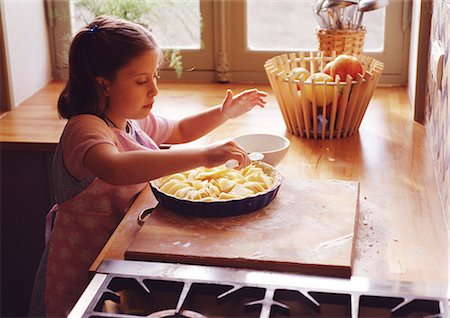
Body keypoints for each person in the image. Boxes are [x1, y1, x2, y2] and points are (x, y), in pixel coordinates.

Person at [28, 15, 267, 317]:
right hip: (81, 269)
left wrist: (224, 113)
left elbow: (179, 130)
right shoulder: (85, 128)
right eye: (142, 81)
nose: (154, 90)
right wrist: (204, 156)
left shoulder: (131, 120)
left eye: (155, 76)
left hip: (118, 257)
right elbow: (115, 167)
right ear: (103, 85)